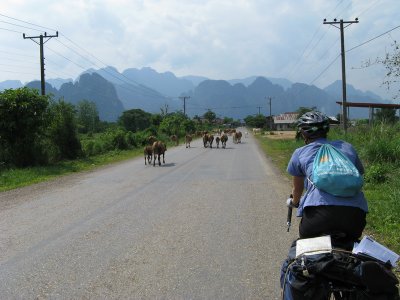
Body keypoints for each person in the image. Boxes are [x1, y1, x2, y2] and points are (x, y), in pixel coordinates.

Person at [286, 111, 368, 247]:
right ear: (326, 130)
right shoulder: (347, 147)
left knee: (301, 251)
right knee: (354, 252)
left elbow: (297, 189)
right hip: (354, 217)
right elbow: (358, 173)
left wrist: (294, 202)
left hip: (317, 217)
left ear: (303, 133)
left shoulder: (300, 153)